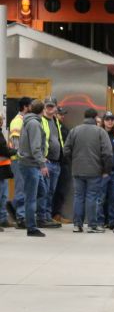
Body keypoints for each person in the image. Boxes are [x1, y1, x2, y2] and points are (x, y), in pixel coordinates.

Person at [64, 107, 114, 233]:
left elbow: (66, 150)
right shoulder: (100, 132)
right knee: (91, 197)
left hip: (77, 170)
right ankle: (92, 225)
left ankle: (77, 225)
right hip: (95, 171)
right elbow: (107, 153)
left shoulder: (74, 131)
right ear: (95, 117)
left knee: (78, 197)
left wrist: (73, 162)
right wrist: (106, 170)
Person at [17, 99, 49, 237]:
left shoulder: (29, 121)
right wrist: (42, 164)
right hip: (31, 165)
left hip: (31, 164)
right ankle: (31, 228)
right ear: (43, 110)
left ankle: (23, 208)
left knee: (41, 191)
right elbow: (35, 147)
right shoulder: (34, 124)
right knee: (31, 197)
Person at [37, 97, 64, 228]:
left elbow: (58, 139)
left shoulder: (55, 121)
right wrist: (42, 158)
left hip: (56, 162)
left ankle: (47, 216)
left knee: (51, 191)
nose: (49, 109)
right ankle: (42, 217)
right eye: (47, 106)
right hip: (47, 162)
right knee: (44, 191)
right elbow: (38, 142)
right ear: (43, 107)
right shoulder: (40, 121)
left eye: (51, 106)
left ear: (55, 107)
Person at [6, 96, 32, 227]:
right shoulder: (18, 121)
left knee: (24, 189)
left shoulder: (25, 120)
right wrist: (23, 156)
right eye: (30, 105)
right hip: (19, 160)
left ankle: (14, 206)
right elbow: (16, 144)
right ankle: (21, 218)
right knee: (21, 188)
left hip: (23, 160)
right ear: (26, 107)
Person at [98, 111, 114, 229]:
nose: (110, 121)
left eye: (112, 119)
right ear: (103, 121)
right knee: (101, 197)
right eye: (107, 119)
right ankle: (100, 221)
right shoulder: (99, 134)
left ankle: (112, 221)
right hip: (102, 172)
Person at [0, 114, 12, 230]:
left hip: (3, 168)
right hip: (1, 168)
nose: (3, 122)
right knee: (2, 195)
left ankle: (3, 219)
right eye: (2, 120)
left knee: (3, 195)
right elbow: (3, 150)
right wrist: (13, 151)